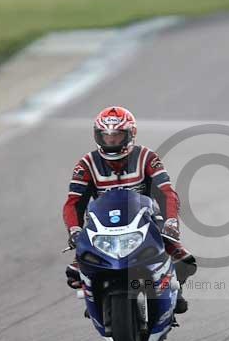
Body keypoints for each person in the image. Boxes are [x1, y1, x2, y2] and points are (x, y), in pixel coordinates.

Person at [62, 106, 196, 314]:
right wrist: (74, 230)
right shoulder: (86, 164)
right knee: (74, 271)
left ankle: (173, 291)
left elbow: (167, 192)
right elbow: (73, 203)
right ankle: (96, 296)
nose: (111, 141)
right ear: (97, 135)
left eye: (117, 135)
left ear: (130, 134)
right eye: (106, 136)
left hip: (146, 218)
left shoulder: (147, 157)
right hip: (103, 224)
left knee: (185, 260)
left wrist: (171, 222)